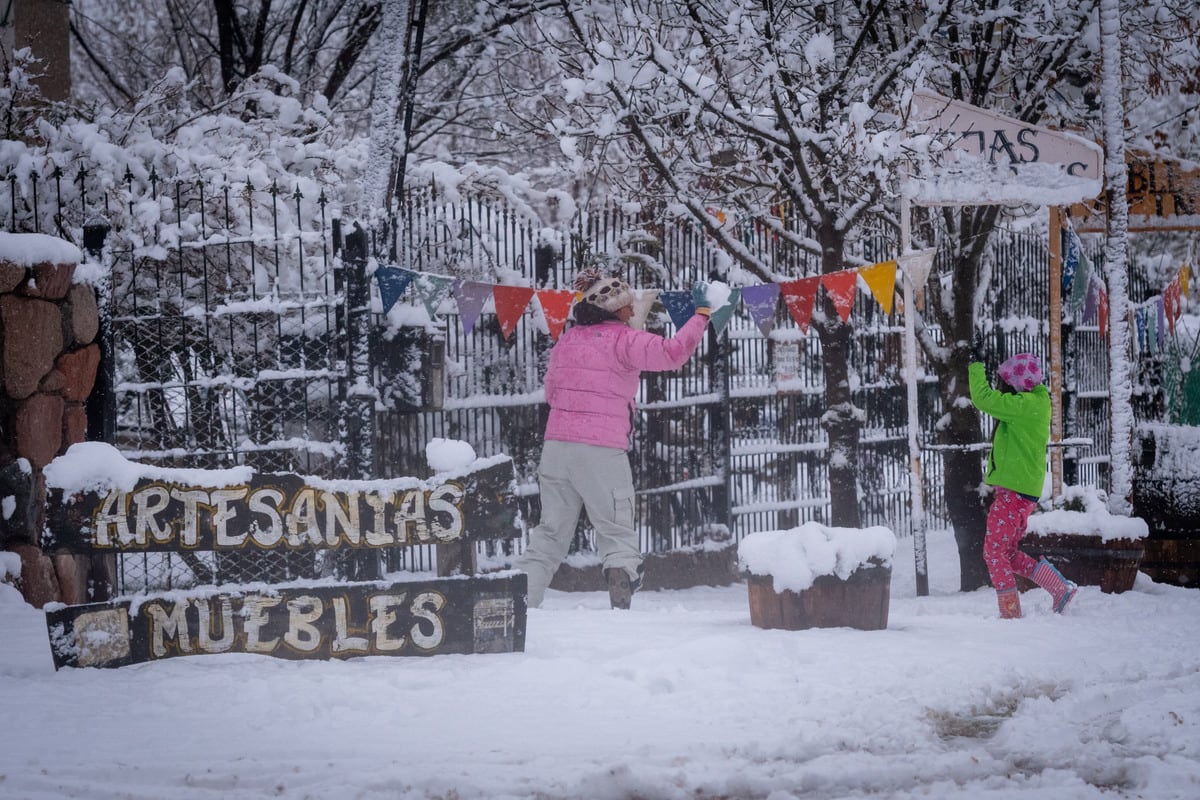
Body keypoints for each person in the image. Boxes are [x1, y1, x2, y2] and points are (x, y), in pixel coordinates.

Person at [515, 268, 711, 609]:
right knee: (615, 527)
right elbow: (673, 353)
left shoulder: (568, 340)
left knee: (550, 531)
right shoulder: (626, 340)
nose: (633, 309)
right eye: (626, 305)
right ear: (612, 309)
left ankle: (520, 602)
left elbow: (551, 392)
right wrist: (702, 315)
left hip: (556, 448)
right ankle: (620, 585)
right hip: (601, 450)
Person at [968, 344, 1078, 619]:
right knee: (1008, 552)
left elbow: (982, 399)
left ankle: (1010, 613)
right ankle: (1059, 587)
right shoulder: (1037, 403)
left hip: (1013, 493)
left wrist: (975, 366)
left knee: (993, 552)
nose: (1004, 388)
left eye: (1007, 383)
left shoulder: (1023, 406)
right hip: (1022, 493)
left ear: (1018, 384)